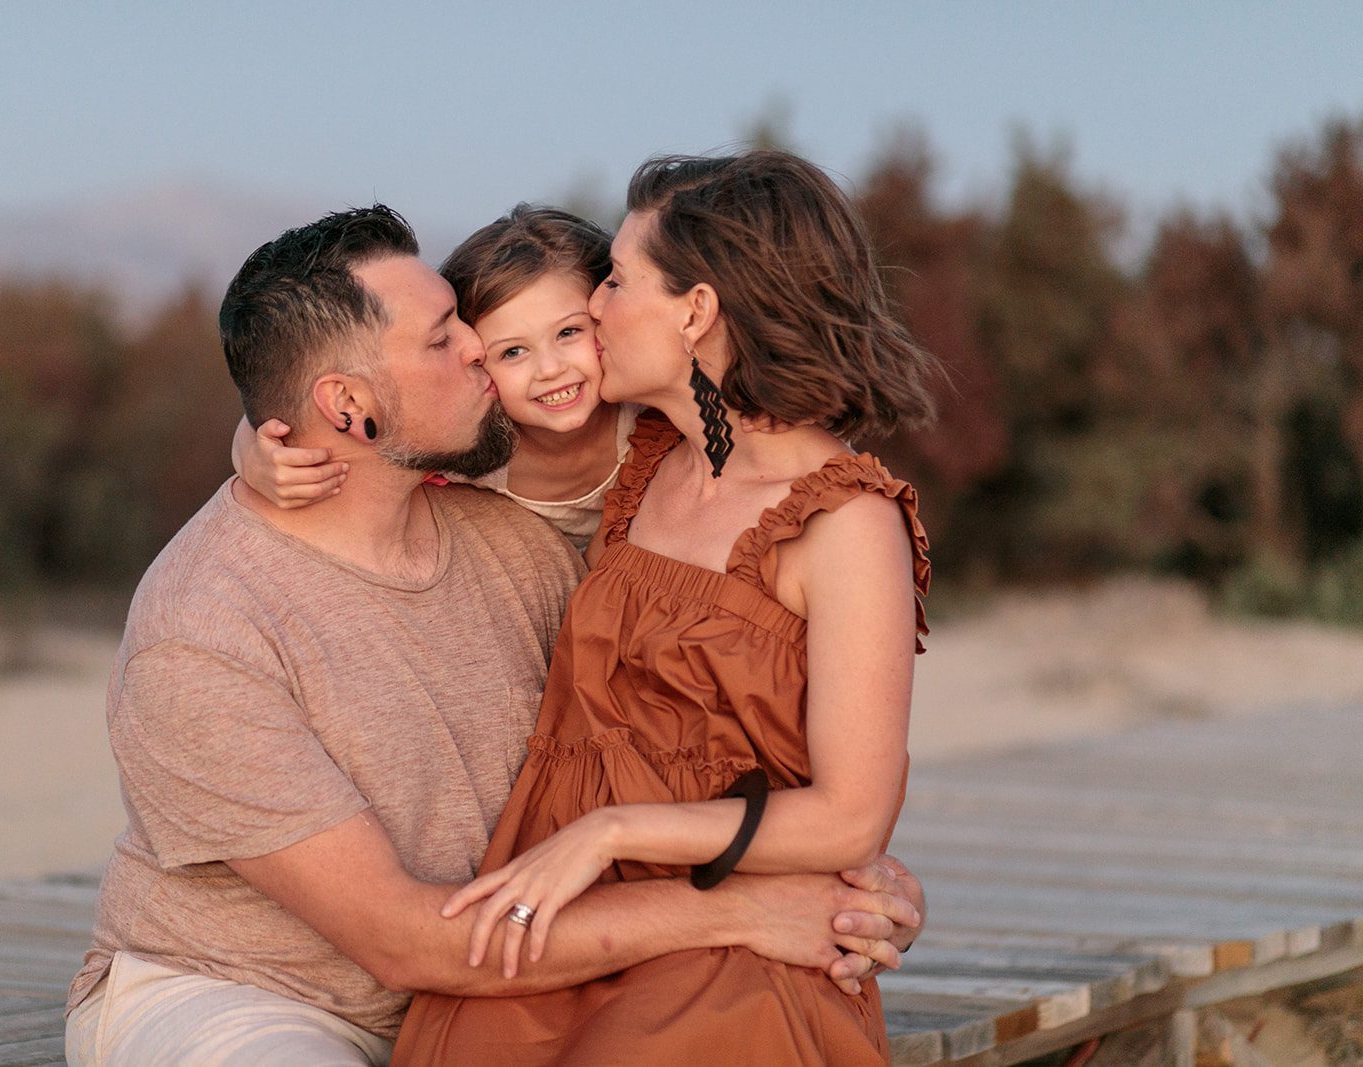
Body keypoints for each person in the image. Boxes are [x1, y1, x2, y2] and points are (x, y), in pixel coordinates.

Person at [65, 204, 925, 1066]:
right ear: (349, 404)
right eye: (447, 338)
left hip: (521, 972)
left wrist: (845, 877)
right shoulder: (205, 634)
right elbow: (403, 941)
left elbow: (688, 719)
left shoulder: (525, 536)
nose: (482, 349)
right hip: (254, 995)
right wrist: (744, 906)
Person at [393, 150, 939, 1066]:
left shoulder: (845, 522)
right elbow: (387, 420)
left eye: (614, 279)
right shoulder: (642, 460)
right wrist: (258, 443)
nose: (595, 307)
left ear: (696, 311)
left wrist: (607, 831)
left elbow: (851, 818)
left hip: (732, 941)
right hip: (562, 921)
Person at [233, 204, 634, 552]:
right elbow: (301, 399)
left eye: (569, 333)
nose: (551, 369)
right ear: (481, 361)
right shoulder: (476, 445)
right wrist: (252, 454)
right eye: (512, 352)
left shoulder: (642, 408)